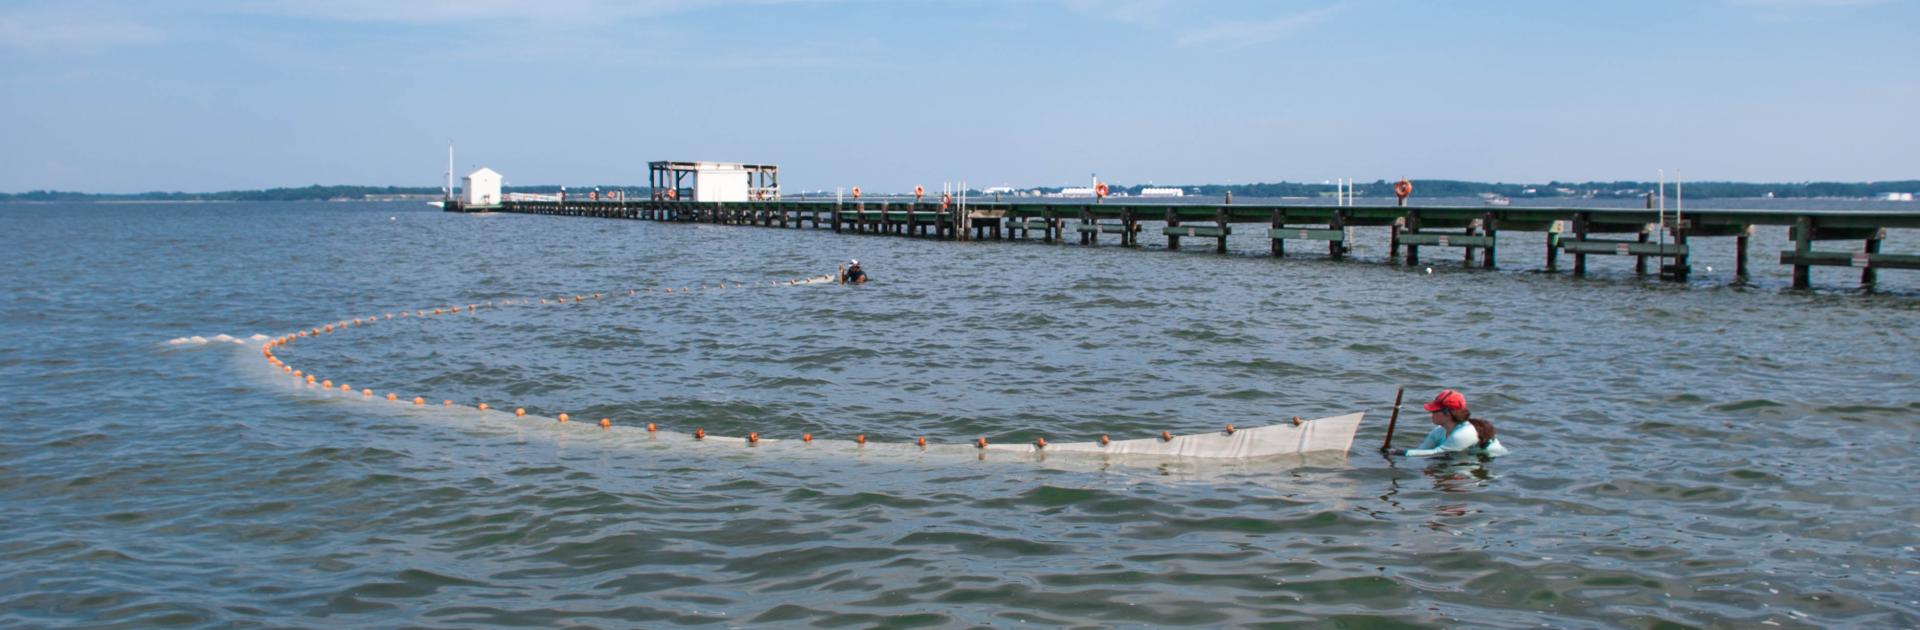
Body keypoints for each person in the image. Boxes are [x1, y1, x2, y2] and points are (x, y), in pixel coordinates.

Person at [1390, 389, 1508, 458]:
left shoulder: (1464, 433)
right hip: (1465, 455)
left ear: (1448, 413)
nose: (1431, 413)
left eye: (1435, 411)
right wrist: (1393, 453)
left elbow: (1436, 453)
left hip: (1491, 459)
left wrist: (1401, 453)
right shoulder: (1439, 431)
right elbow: (1422, 451)